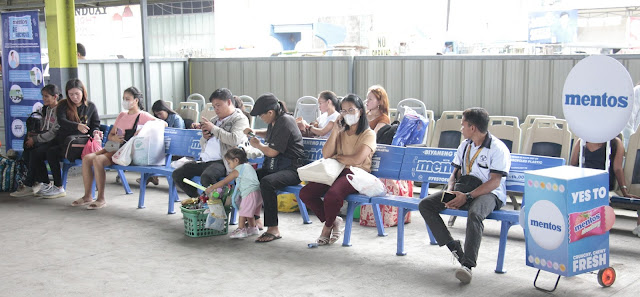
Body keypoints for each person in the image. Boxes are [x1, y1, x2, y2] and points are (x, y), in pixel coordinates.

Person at [418, 107, 511, 284]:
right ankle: (453, 247)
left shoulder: (498, 149)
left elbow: (494, 182)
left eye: (463, 125)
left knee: (475, 214)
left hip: (488, 194)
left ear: (473, 128)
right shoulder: (465, 145)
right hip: (462, 190)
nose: (461, 129)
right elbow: (454, 174)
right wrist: (452, 191)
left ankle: (467, 265)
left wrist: (466, 197)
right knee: (426, 205)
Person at [299, 94, 376, 245]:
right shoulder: (340, 132)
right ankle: (334, 220)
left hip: (356, 174)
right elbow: (327, 154)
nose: (347, 114)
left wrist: (337, 157)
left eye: (351, 110)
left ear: (360, 111)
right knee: (306, 193)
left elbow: (356, 160)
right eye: (344, 111)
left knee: (332, 195)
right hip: (336, 171)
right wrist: (335, 130)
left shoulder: (368, 134)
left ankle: (327, 227)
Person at [71, 86, 159, 209]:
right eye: (123, 98)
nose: (125, 101)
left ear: (136, 100)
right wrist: (114, 138)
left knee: (98, 160)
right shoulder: (122, 115)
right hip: (113, 147)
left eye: (128, 98)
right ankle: (87, 196)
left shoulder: (143, 116)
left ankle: (101, 198)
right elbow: (111, 134)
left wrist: (143, 130)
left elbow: (161, 123)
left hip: (125, 151)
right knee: (87, 158)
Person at [244, 93, 305, 243]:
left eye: (261, 115)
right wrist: (256, 132)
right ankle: (254, 218)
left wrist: (258, 145)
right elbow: (270, 135)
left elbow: (272, 152)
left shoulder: (285, 121)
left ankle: (273, 229)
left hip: (292, 170)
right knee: (249, 176)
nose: (261, 118)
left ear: (270, 112)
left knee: (267, 182)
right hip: (276, 167)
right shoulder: (275, 121)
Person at [172, 88, 250, 202]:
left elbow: (234, 139)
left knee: (207, 177)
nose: (216, 109)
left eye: (218, 105)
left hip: (224, 162)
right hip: (205, 160)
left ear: (229, 102)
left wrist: (213, 129)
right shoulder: (214, 120)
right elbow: (203, 143)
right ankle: (199, 200)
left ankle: (218, 207)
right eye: (214, 106)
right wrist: (205, 137)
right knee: (178, 174)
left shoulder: (240, 119)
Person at [43, 79, 101, 198]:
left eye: (77, 94)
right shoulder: (63, 105)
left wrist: (96, 131)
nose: (74, 97)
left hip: (81, 145)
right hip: (64, 142)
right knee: (47, 151)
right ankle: (56, 186)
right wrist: (77, 126)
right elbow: (62, 121)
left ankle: (58, 186)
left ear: (83, 92)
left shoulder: (90, 106)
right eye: (71, 94)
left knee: (51, 152)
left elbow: (95, 124)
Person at [570, 137, 640, 235]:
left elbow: (617, 168)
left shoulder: (615, 142)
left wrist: (624, 191)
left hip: (599, 183)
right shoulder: (582, 140)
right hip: (588, 181)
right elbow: (573, 165)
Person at [10, 84, 63, 197]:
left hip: (56, 142)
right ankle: (40, 183)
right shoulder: (47, 109)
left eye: (46, 96)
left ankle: (33, 184)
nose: (43, 99)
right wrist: (33, 137)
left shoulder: (60, 110)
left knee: (35, 152)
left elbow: (53, 132)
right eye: (43, 96)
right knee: (28, 150)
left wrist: (35, 139)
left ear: (55, 97)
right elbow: (43, 129)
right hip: (46, 140)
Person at [204, 148, 263, 239]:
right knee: (249, 212)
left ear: (236, 160)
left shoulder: (237, 170)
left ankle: (240, 229)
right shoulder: (248, 166)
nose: (229, 165)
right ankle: (253, 228)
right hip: (258, 193)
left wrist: (211, 188)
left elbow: (224, 182)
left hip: (249, 194)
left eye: (229, 163)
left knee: (243, 212)